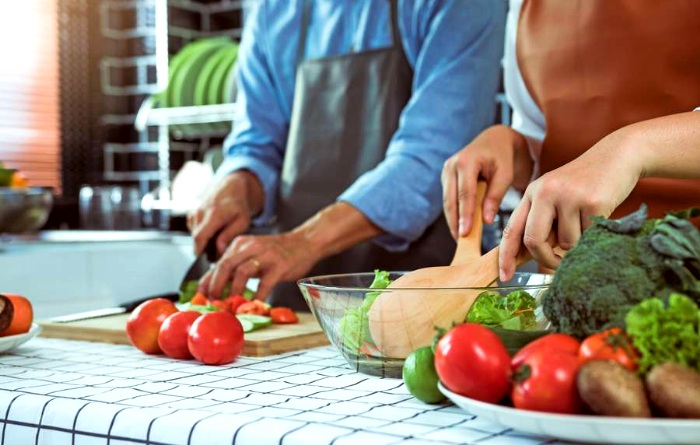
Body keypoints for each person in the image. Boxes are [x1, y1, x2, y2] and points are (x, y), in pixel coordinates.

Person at [188, 0, 506, 309]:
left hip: (419, 296)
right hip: (301, 304)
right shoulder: (273, 11)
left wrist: (304, 242)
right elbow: (257, 144)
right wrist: (237, 185)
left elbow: (429, 158)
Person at [441, 0, 700, 283]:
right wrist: (516, 148)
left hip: (687, 270)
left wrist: (631, 148)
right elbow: (545, 137)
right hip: (569, 282)